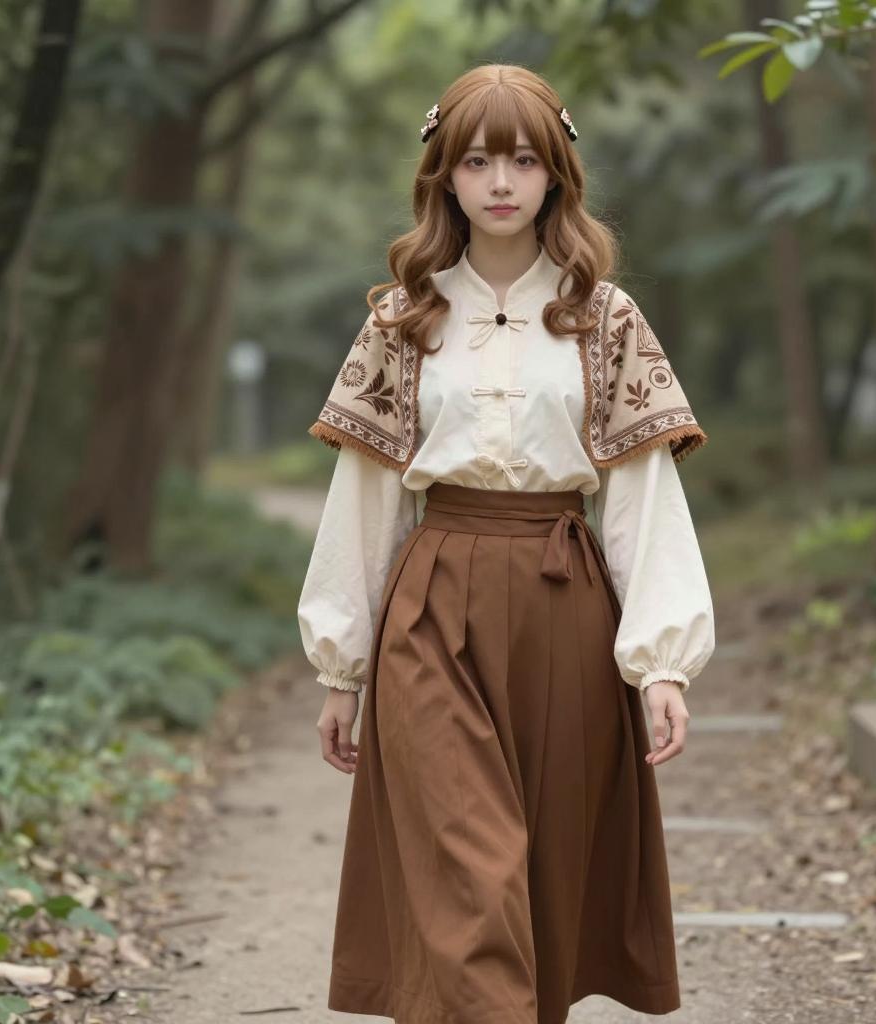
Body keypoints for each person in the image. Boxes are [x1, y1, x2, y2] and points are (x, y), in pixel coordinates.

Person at [297, 63, 715, 1024]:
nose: (499, 180)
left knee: (545, 880)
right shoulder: (402, 318)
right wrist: (341, 665)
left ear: (556, 174)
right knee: (467, 867)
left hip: (565, 603)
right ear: (444, 174)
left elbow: (641, 495)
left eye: (523, 159)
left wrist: (662, 663)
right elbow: (362, 496)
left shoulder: (604, 318)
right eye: (477, 158)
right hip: (432, 608)